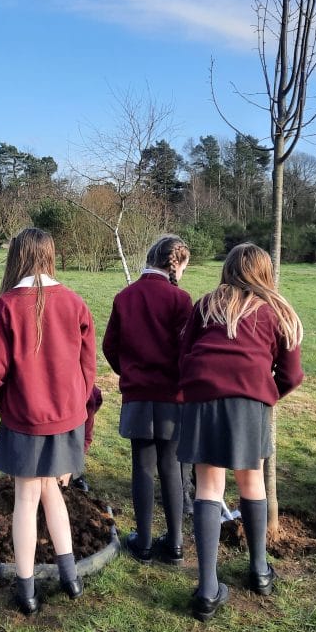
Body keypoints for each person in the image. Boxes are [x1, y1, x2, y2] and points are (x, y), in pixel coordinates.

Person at [0, 228, 97, 615]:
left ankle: (26, 591)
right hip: (65, 415)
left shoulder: (5, 305)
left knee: (26, 498)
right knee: (51, 491)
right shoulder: (75, 301)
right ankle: (70, 577)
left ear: (16, 257)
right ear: (50, 255)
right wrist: (76, 404)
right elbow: (88, 367)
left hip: (25, 416)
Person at [177, 242, 304, 621]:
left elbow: (184, 356)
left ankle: (207, 588)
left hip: (202, 398)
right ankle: (260, 571)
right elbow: (293, 374)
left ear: (228, 269)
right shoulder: (278, 312)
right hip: (249, 404)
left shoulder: (206, 305)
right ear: (265, 272)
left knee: (208, 489)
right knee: (252, 484)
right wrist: (266, 398)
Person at [102, 234, 192, 566]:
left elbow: (110, 345)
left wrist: (128, 371)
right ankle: (177, 544)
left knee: (142, 467)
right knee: (172, 467)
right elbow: (188, 351)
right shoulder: (181, 300)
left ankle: (143, 542)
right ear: (177, 264)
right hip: (171, 395)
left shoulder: (125, 296)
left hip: (138, 394)